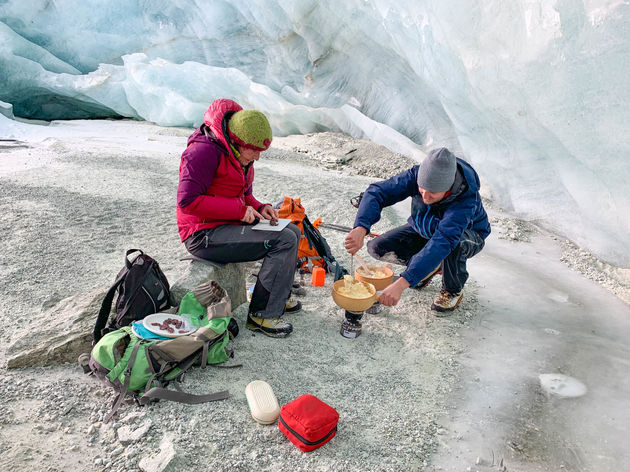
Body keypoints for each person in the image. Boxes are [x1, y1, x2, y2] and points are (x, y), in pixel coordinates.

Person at [176, 98, 301, 337]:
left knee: (293, 232)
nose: (257, 157)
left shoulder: (238, 155)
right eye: (253, 150)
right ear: (236, 141)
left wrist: (260, 207)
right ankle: (261, 315)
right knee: (282, 240)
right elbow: (187, 201)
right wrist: (238, 211)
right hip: (202, 235)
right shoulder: (202, 152)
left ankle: (277, 297)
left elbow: (244, 194)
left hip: (225, 225)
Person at [344, 147, 491, 313]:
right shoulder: (417, 175)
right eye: (422, 189)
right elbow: (377, 192)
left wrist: (403, 282)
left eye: (433, 193)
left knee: (453, 245)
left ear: (448, 187)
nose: (425, 197)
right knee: (377, 248)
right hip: (426, 230)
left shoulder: (465, 200)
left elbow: (443, 241)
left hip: (469, 235)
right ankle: (427, 269)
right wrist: (360, 227)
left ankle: (452, 290)